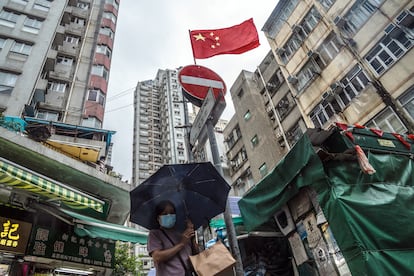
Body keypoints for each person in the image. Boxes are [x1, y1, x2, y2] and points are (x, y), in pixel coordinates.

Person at [147, 200, 198, 276]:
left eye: (172, 213)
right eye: (165, 214)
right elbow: (157, 257)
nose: (169, 216)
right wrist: (181, 244)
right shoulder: (155, 234)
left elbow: (196, 255)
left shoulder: (183, 233)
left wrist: (192, 237)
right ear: (158, 218)